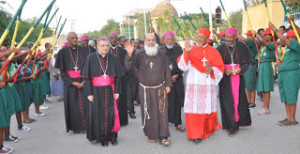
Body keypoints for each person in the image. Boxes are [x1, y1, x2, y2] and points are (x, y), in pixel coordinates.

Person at [177, 28, 224, 142]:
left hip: (207, 84)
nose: (198, 39)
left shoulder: (214, 51)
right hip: (193, 84)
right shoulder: (191, 50)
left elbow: (220, 68)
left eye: (202, 37)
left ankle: (206, 130)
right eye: (198, 36)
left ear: (207, 39)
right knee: (193, 109)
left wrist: (212, 69)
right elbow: (183, 66)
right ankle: (195, 134)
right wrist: (186, 53)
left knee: (205, 108)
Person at [125, 33, 172, 146]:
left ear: (155, 41)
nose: (151, 42)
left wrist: (168, 84)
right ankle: (151, 134)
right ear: (145, 41)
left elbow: (167, 70)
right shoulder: (139, 54)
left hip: (160, 87)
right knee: (148, 112)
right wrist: (130, 55)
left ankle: (163, 136)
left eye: (152, 40)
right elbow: (129, 66)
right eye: (148, 40)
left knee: (162, 111)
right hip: (145, 90)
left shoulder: (161, 54)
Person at [81, 36, 124, 146]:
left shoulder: (113, 57)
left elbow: (118, 77)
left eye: (107, 46)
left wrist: (117, 91)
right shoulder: (90, 58)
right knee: (98, 114)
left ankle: (112, 136)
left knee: (112, 113)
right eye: (102, 45)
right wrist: (89, 93)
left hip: (110, 89)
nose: (105, 48)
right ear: (97, 46)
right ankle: (101, 137)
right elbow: (86, 78)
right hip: (95, 91)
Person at [217, 28, 252, 137]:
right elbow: (216, 63)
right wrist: (224, 70)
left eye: (230, 37)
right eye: (226, 37)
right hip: (225, 78)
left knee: (238, 101)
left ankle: (238, 122)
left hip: (238, 76)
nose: (228, 39)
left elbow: (248, 62)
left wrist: (240, 69)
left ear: (235, 37)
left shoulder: (242, 47)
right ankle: (231, 126)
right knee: (227, 101)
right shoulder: (220, 48)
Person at [55, 32, 89, 133]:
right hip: (70, 83)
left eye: (76, 38)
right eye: (72, 38)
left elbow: (87, 66)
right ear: (68, 40)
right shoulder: (62, 52)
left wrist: (83, 81)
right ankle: (76, 127)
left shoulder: (83, 50)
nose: (75, 40)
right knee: (73, 107)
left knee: (86, 105)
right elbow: (63, 72)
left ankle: (87, 126)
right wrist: (73, 83)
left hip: (83, 81)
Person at [270, 22, 300, 126]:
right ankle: (289, 117)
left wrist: (274, 29)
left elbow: (283, 40)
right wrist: (279, 63)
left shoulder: (297, 44)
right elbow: (282, 43)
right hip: (283, 73)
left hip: (292, 74)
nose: (285, 39)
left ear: (293, 38)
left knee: (291, 96)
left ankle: (292, 119)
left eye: (288, 38)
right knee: (286, 96)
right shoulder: (287, 49)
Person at [160, 31, 185, 132]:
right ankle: (164, 122)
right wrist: (168, 77)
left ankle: (178, 122)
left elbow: (183, 63)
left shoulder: (179, 49)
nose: (169, 41)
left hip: (178, 79)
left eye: (171, 39)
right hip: (165, 80)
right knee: (165, 101)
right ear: (164, 40)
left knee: (177, 101)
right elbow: (159, 66)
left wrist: (177, 74)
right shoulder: (160, 51)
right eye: (167, 39)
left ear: (174, 40)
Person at [109, 31, 128, 126]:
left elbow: (127, 64)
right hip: (109, 79)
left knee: (122, 99)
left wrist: (121, 72)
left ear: (117, 39)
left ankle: (123, 120)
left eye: (114, 38)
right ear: (109, 39)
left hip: (121, 78)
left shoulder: (122, 51)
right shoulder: (106, 50)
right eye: (111, 38)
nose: (113, 40)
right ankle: (111, 119)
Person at [255, 28, 275, 115]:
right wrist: (258, 58)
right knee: (263, 88)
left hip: (267, 66)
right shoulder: (262, 47)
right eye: (263, 35)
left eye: (265, 35)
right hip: (262, 65)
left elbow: (263, 42)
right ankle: (264, 106)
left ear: (270, 36)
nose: (263, 37)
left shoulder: (271, 44)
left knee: (266, 88)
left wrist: (257, 34)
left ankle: (267, 108)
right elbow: (258, 56)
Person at [237, 30, 259, 109]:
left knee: (251, 85)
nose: (247, 37)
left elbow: (244, 40)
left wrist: (236, 34)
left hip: (251, 64)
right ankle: (249, 101)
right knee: (248, 85)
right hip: (246, 65)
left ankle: (252, 102)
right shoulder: (248, 43)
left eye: (248, 35)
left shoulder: (253, 42)